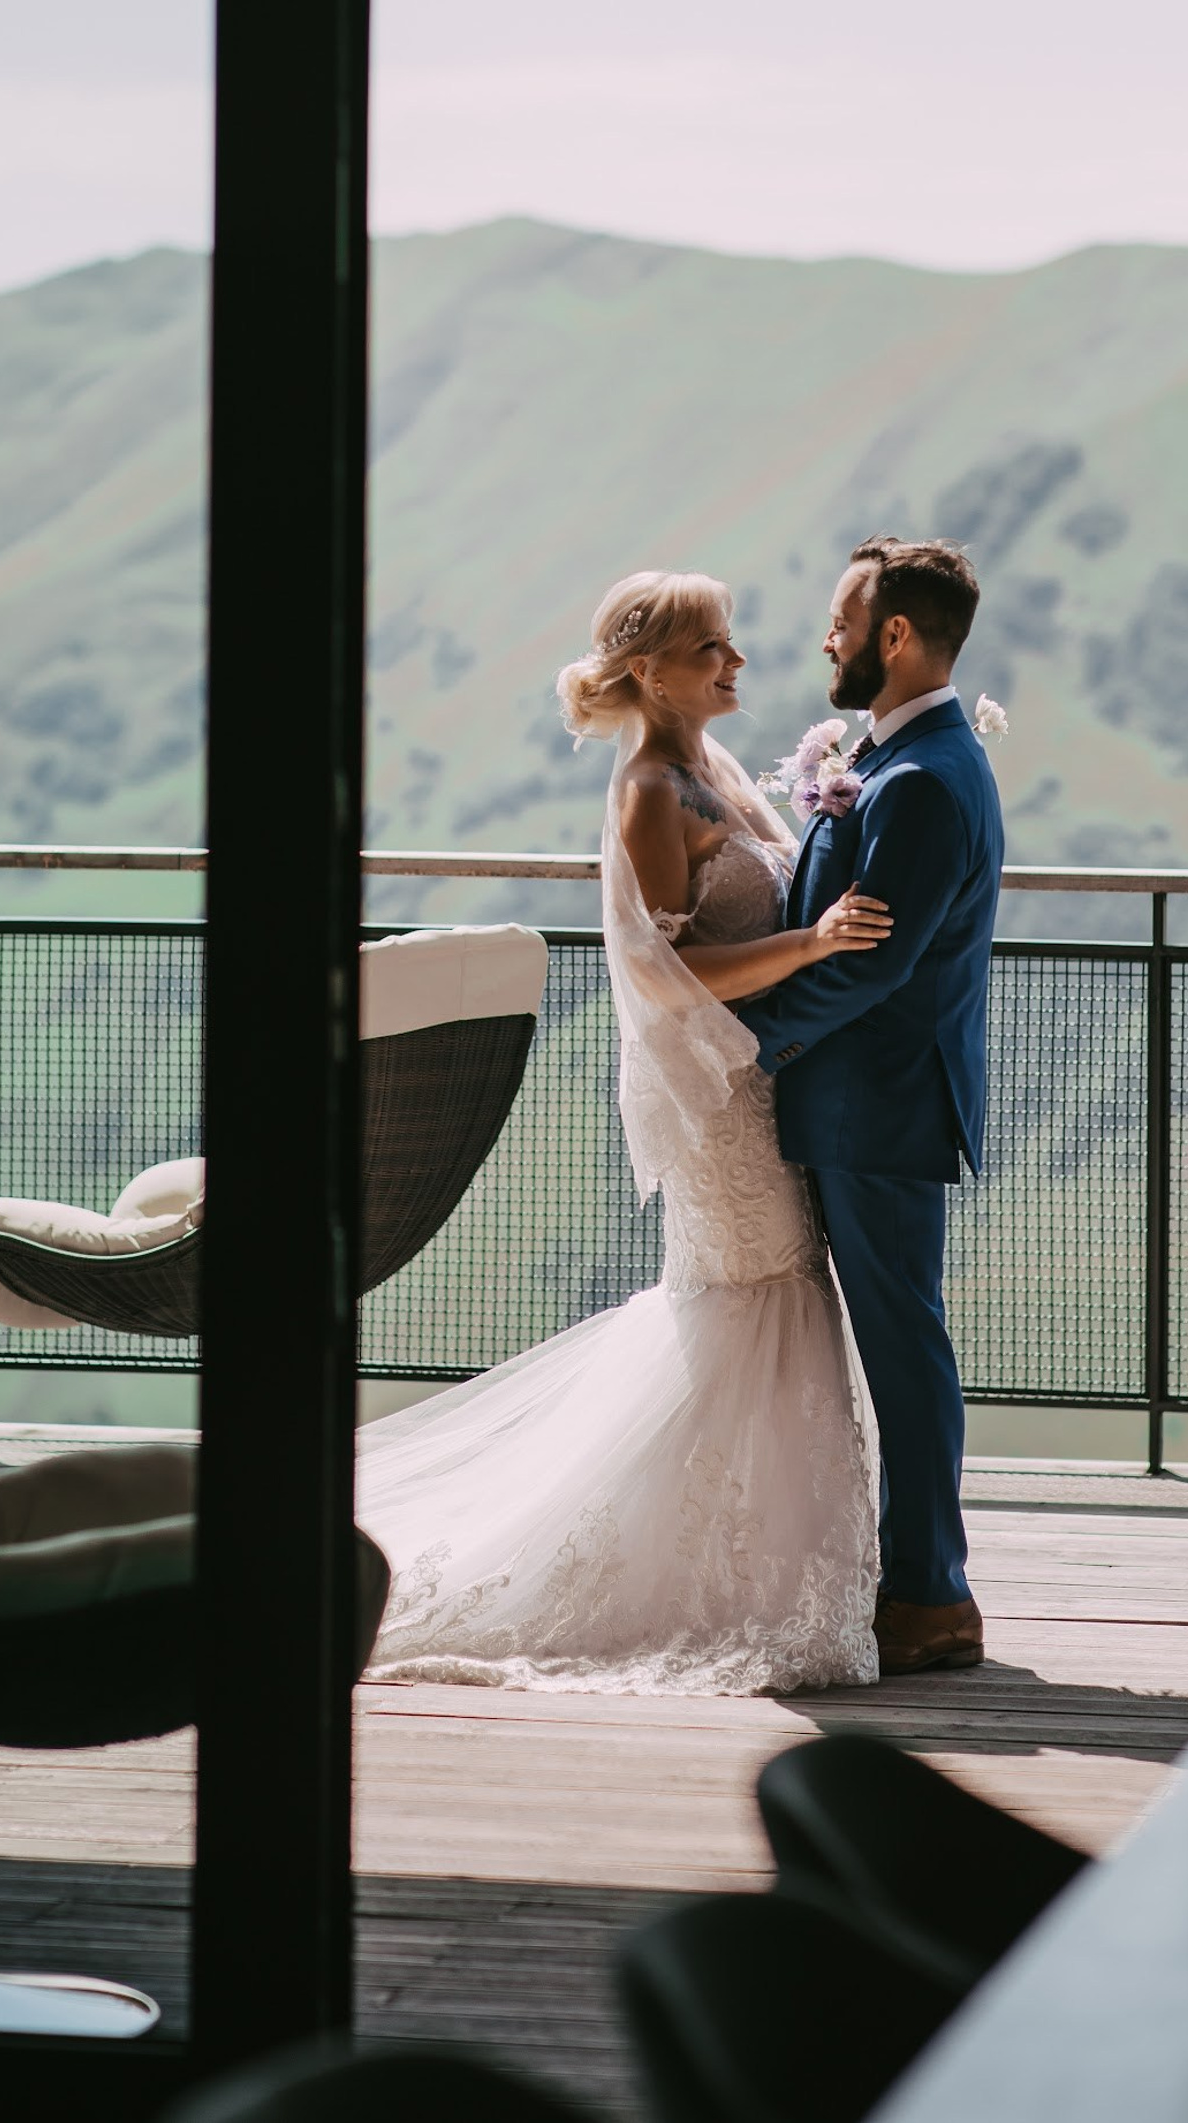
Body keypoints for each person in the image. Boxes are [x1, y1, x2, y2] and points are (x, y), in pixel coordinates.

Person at [357, 569, 890, 1693]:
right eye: (715, 650)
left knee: (775, 1299)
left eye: (733, 647)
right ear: (651, 671)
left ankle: (761, 1563)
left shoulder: (719, 769)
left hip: (757, 1078)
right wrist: (814, 946)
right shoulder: (654, 789)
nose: (738, 665)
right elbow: (669, 973)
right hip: (716, 1102)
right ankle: (714, 1576)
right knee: (757, 1296)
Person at [736, 538, 1005, 1678]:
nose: (828, 640)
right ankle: (917, 1588)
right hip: (864, 1101)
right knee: (904, 1344)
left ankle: (932, 1598)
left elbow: (874, 966)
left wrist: (752, 1042)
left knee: (904, 1351)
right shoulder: (907, 761)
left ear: (897, 635)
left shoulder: (927, 781)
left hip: (878, 1106)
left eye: (843, 621)